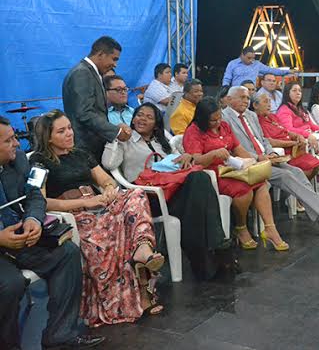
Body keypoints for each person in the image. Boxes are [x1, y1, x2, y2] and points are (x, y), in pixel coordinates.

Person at [31, 110, 165, 327]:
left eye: (70, 128)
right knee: (109, 230)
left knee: (137, 195)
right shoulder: (39, 161)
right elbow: (41, 202)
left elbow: (106, 180)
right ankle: (137, 294)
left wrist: (110, 190)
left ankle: (142, 249)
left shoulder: (81, 153)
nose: (69, 134)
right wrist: (85, 203)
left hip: (99, 205)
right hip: (74, 214)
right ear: (48, 137)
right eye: (61, 131)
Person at [0, 116, 105, 350]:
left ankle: (60, 333)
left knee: (67, 253)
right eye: (9, 140)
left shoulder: (18, 161)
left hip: (21, 234)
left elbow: (35, 195)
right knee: (11, 284)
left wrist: (33, 220)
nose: (17, 144)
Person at [102, 103, 231, 280]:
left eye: (148, 117)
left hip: (171, 191)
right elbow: (109, 164)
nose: (142, 119)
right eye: (139, 115)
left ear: (156, 124)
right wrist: (115, 138)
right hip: (148, 196)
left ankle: (207, 259)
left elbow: (180, 164)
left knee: (199, 179)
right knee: (196, 201)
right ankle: (217, 246)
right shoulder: (125, 142)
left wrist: (188, 156)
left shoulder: (161, 142)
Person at [223, 87, 319, 230]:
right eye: (242, 97)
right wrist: (259, 157)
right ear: (228, 100)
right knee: (286, 175)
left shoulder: (250, 116)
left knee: (296, 171)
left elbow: (263, 139)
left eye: (247, 97)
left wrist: (271, 153)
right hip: (249, 164)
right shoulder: (224, 118)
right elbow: (232, 149)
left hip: (267, 158)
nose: (246, 101)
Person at [182, 98, 289, 251]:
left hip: (232, 168)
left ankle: (270, 228)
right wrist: (213, 154)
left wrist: (254, 161)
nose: (218, 122)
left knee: (261, 182)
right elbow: (195, 161)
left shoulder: (224, 126)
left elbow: (238, 149)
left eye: (219, 117)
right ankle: (241, 227)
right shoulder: (194, 131)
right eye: (213, 120)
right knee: (243, 189)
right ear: (202, 119)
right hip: (212, 174)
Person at [62, 36, 131, 160]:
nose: (115, 65)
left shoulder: (92, 73)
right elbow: (84, 113)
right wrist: (116, 132)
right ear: (101, 54)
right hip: (85, 147)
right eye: (114, 59)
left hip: (93, 145)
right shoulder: (82, 73)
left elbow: (96, 112)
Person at [254, 93, 319, 180]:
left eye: (270, 101)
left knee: (316, 163)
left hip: (295, 149)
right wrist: (292, 143)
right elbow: (269, 141)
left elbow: (286, 131)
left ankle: (300, 187)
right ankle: (297, 188)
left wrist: (298, 136)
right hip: (284, 154)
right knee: (309, 168)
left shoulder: (272, 116)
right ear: (255, 105)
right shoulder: (257, 121)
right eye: (266, 102)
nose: (269, 105)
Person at [222, 47, 290, 87]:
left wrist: (287, 71)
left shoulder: (257, 64)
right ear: (242, 55)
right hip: (236, 92)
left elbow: (270, 70)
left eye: (253, 58)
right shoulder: (232, 64)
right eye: (249, 58)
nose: (251, 60)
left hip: (251, 93)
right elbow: (227, 79)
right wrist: (225, 90)